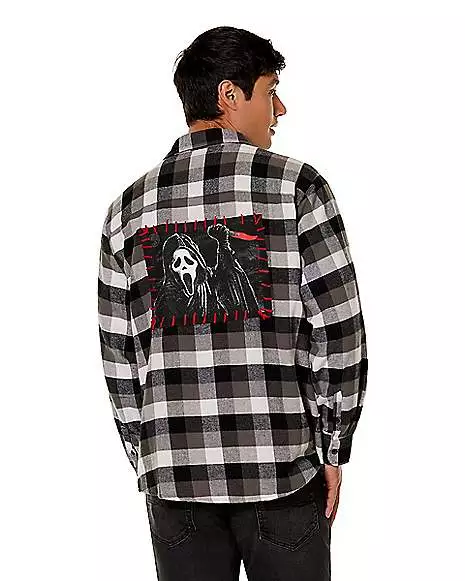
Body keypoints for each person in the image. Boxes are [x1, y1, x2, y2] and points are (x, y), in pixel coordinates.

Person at [97, 25, 368, 581]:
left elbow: (119, 355)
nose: (280, 109)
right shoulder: (296, 188)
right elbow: (339, 330)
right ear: (229, 95)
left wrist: (148, 455)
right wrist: (334, 446)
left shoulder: (127, 209)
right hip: (282, 472)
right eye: (270, 91)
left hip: (175, 482)